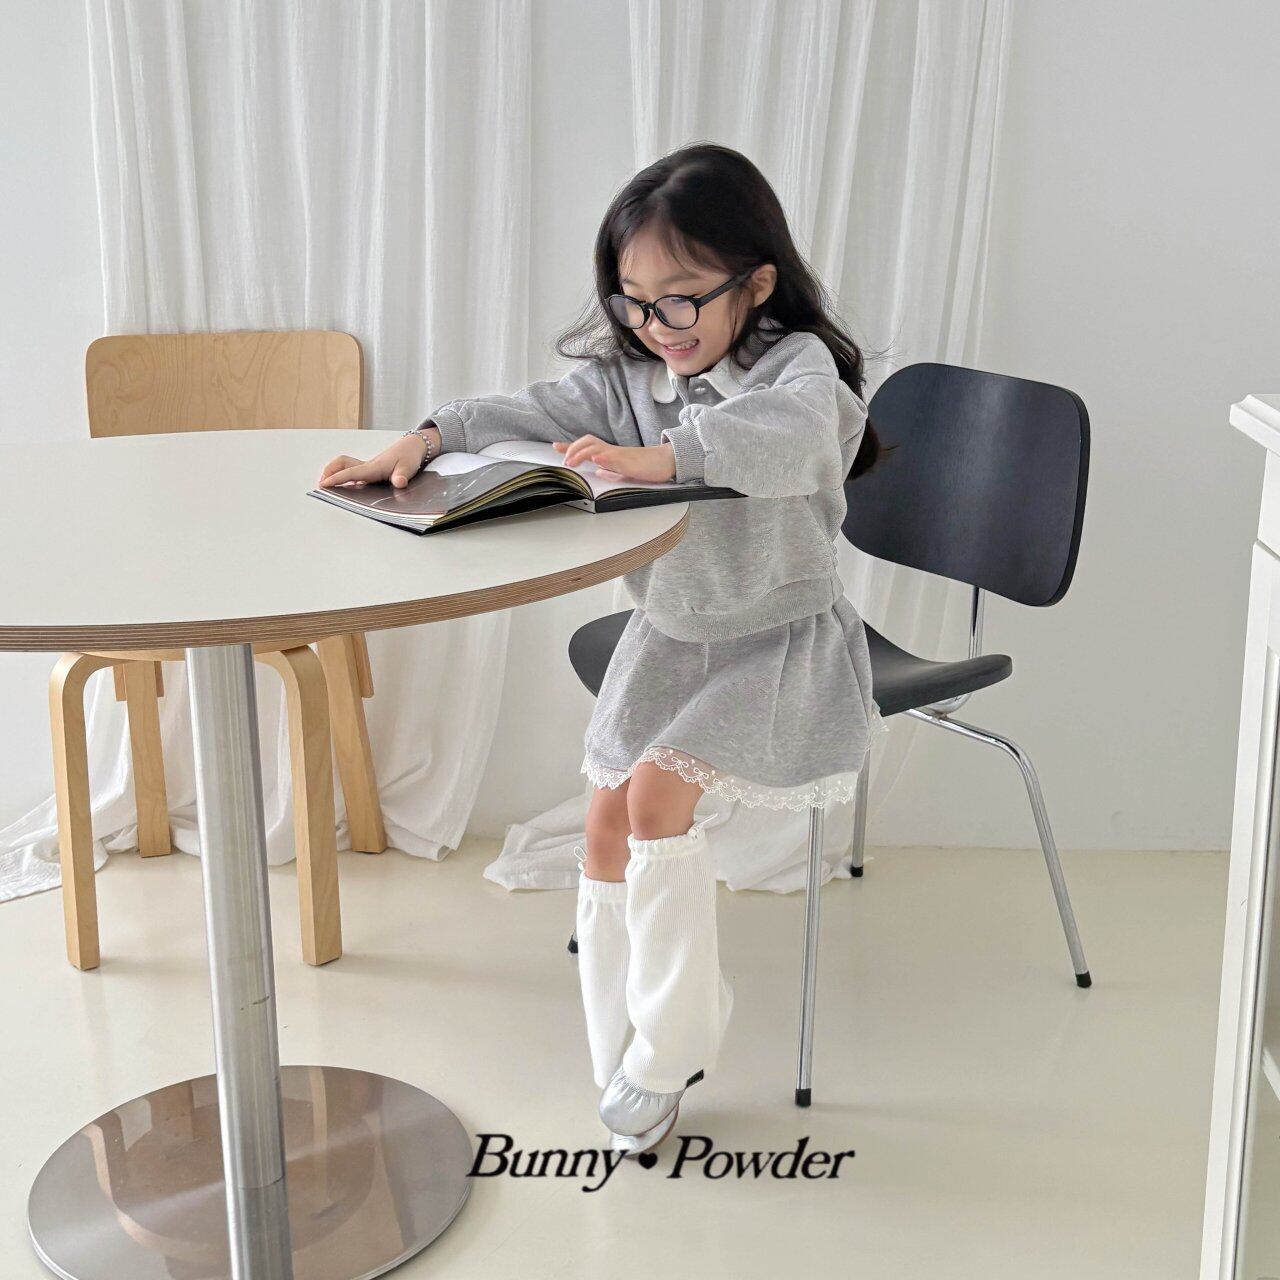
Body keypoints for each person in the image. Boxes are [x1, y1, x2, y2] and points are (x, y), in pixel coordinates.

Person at [317, 141, 891, 1158]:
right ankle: (624, 1040)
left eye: (682, 299)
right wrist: (426, 436)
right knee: (601, 826)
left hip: (776, 641)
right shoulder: (636, 372)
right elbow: (534, 408)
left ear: (756, 283)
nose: (657, 326)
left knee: (657, 800)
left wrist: (664, 457)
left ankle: (672, 1050)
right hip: (668, 640)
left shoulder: (795, 368)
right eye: (635, 303)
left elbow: (799, 437)